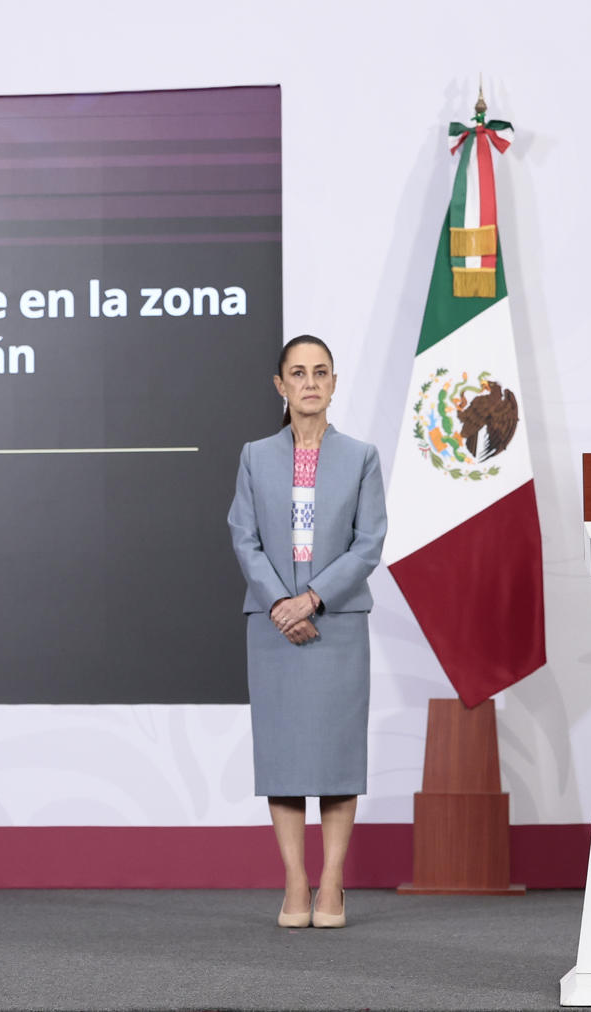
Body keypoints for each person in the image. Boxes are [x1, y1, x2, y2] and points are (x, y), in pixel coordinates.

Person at [226, 335, 386, 929]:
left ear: (334, 383)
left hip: (337, 623)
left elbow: (368, 543)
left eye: (321, 372)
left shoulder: (361, 456)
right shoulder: (254, 455)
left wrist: (312, 600)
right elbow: (244, 536)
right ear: (281, 386)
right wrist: (279, 605)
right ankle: (295, 880)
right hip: (273, 628)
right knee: (286, 757)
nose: (310, 382)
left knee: (337, 757)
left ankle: (333, 882)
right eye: (298, 372)